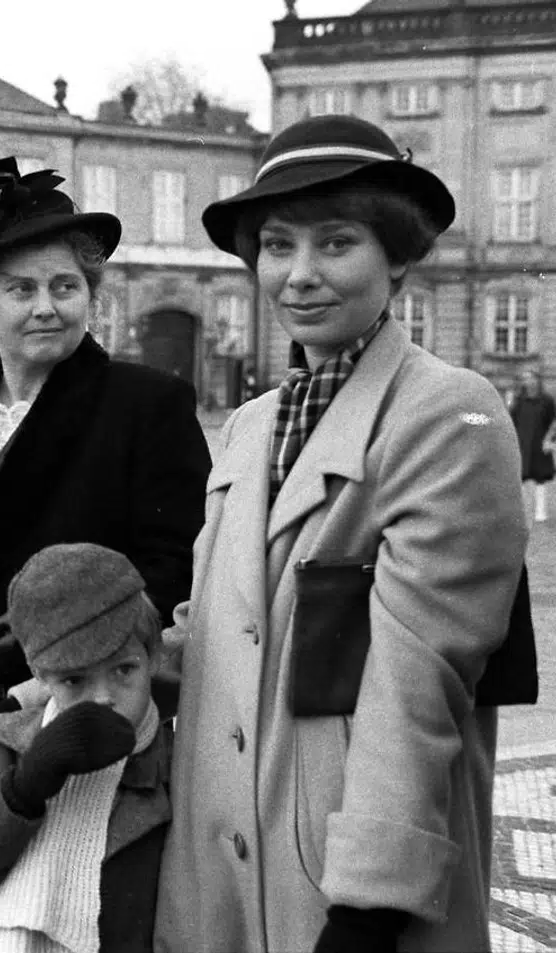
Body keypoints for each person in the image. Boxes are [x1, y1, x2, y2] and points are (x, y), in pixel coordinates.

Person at [156, 115, 530, 953]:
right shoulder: (250, 424)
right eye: (277, 246)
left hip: (336, 871)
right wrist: (93, 662)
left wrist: (368, 902)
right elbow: (221, 628)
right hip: (216, 871)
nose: (298, 276)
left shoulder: (446, 411)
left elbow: (418, 676)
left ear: (396, 256)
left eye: (335, 244)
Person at [0, 157, 210, 953]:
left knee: (56, 916)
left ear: (91, 295)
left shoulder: (145, 405)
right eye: (22, 289)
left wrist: (62, 644)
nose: (47, 306)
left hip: (70, 716)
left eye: (66, 286)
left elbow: (174, 560)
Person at [0, 543, 172, 953]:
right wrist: (22, 789)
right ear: (42, 678)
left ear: (154, 658)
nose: (103, 698)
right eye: (75, 681)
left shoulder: (173, 762)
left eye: (123, 670)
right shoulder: (7, 749)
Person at [510, 369, 555, 524]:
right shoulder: (518, 401)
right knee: (519, 478)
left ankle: (540, 512)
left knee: (540, 478)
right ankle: (520, 511)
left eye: (530, 378)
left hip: (539, 444)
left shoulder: (547, 401)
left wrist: (549, 440)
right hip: (521, 444)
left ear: (537, 380)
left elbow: (554, 423)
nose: (528, 382)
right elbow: (511, 422)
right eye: (524, 379)